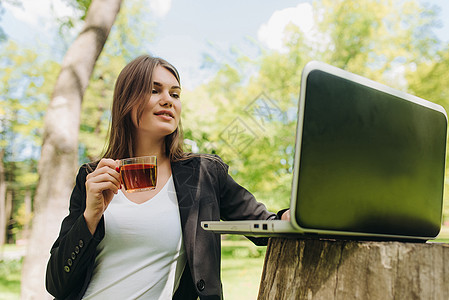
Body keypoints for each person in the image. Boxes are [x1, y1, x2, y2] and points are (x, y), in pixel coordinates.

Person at [45, 55, 289, 300]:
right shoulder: (93, 178)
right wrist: (90, 216)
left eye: (175, 94)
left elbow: (267, 226)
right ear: (127, 101)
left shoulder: (204, 174)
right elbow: (56, 284)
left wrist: (294, 216)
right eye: (154, 90)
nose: (168, 101)